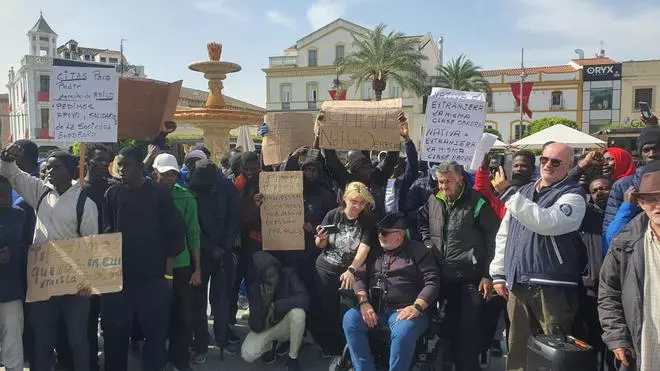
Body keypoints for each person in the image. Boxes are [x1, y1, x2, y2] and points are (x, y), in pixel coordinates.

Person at [490, 143, 587, 371]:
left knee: (555, 350)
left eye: (555, 162)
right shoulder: (522, 192)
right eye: (544, 159)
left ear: (570, 166)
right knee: (518, 347)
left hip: (552, 284)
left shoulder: (573, 195)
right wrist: (498, 273)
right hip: (519, 282)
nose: (547, 165)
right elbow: (505, 233)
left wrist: (506, 192)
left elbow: (546, 222)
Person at [0, 147, 99, 371]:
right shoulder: (41, 192)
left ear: (72, 171)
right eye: (48, 166)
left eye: (56, 167)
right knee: (43, 338)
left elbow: (91, 246)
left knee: (77, 338)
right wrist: (6, 161)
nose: (49, 170)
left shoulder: (85, 203)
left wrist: (89, 282)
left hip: (75, 285)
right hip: (44, 282)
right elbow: (15, 176)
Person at [101, 146, 185, 371]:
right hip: (120, 282)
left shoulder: (159, 194)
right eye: (119, 165)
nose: (121, 169)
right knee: (116, 334)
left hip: (153, 279)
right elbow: (106, 233)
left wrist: (167, 276)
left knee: (155, 336)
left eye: (126, 165)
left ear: (140, 166)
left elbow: (174, 237)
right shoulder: (112, 194)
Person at [418, 161, 499, 371]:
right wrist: (427, 242)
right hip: (440, 274)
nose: (443, 187)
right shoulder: (433, 199)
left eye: (448, 182)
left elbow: (493, 239)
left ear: (460, 179)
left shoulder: (477, 202)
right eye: (440, 182)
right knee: (441, 326)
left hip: (469, 276)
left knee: (468, 330)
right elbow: (422, 223)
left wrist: (487, 274)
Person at [343, 212, 439, 371]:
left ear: (399, 235)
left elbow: (432, 282)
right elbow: (358, 276)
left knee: (403, 331)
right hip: (374, 308)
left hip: (406, 310)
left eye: (385, 232)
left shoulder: (419, 251)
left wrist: (417, 306)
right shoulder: (374, 250)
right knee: (350, 319)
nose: (380, 235)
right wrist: (364, 302)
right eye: (379, 231)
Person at [599, 160, 660, 370]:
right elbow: (608, 291)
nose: (658, 205)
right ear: (640, 203)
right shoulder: (625, 241)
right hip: (644, 343)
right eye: (651, 199)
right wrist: (617, 336)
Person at [151, 153, 202, 371]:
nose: (170, 178)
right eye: (165, 174)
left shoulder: (187, 198)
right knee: (157, 315)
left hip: (181, 266)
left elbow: (194, 233)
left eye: (173, 173)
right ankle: (158, 357)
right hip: (154, 265)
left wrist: (197, 268)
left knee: (183, 315)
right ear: (155, 174)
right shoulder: (146, 196)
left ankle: (180, 358)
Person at [315, 182, 376, 357]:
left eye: (362, 203)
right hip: (326, 268)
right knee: (328, 308)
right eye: (354, 201)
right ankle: (330, 346)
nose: (357, 206)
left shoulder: (367, 220)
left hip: (351, 270)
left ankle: (348, 347)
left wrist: (352, 269)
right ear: (345, 199)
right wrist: (320, 238)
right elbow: (320, 245)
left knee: (349, 310)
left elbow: (364, 248)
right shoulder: (332, 215)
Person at [189, 159, 240, 362]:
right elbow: (192, 224)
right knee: (198, 302)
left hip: (224, 251)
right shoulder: (192, 189)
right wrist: (210, 247)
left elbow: (234, 217)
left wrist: (225, 246)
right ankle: (201, 342)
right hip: (201, 252)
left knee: (222, 298)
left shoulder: (227, 187)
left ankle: (222, 338)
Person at [315, 113, 407, 219]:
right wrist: (323, 131)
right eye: (363, 165)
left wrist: (394, 130)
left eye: (368, 163)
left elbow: (391, 159)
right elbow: (332, 161)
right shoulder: (346, 181)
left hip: (375, 228)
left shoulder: (377, 177)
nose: (369, 167)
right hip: (353, 227)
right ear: (354, 169)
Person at [241, 251, 309, 371]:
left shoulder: (288, 274)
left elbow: (304, 299)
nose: (272, 280)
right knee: (247, 353)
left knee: (298, 313)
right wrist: (265, 304)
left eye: (274, 275)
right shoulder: (256, 288)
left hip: (286, 324)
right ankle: (272, 345)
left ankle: (292, 357)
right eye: (267, 277)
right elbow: (255, 327)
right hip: (268, 327)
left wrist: (274, 305)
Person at [574, 176, 611, 368]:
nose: (600, 193)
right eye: (595, 190)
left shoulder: (623, 215)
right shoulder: (586, 215)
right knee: (587, 336)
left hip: (614, 288)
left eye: (605, 188)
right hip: (589, 286)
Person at [603, 127, 660, 233]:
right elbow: (610, 237)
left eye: (656, 149)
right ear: (640, 154)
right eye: (646, 150)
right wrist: (627, 206)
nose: (652, 154)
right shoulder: (622, 186)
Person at [0, 176, 26, 371]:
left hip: (11, 292)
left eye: (7, 193)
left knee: (13, 345)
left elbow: (29, 248)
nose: (4, 198)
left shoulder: (20, 215)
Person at [475, 151, 536, 219]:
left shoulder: (536, 190)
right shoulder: (501, 187)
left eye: (524, 166)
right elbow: (483, 196)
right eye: (516, 166)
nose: (519, 169)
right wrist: (482, 171)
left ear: (533, 168)